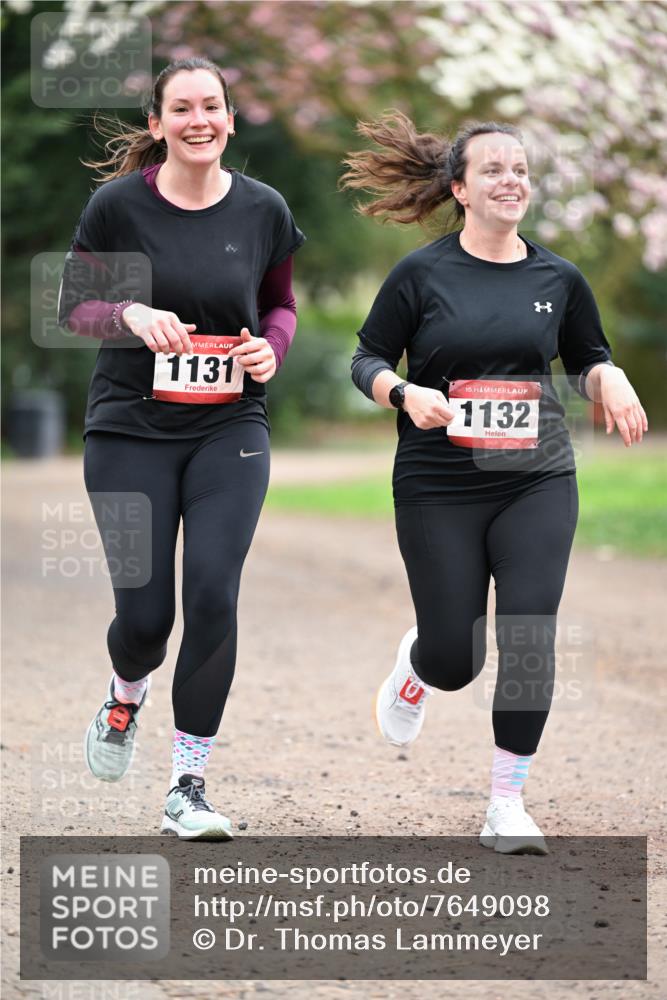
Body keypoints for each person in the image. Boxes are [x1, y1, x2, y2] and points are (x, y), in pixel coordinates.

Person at [342, 112, 647, 853]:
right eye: (493, 170)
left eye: (520, 169)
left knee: (529, 635)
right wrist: (403, 393)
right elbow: (366, 358)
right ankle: (419, 666)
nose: (511, 180)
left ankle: (506, 803)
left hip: (534, 477)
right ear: (460, 188)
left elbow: (587, 356)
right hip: (438, 481)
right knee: (456, 659)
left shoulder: (558, 278)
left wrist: (608, 377)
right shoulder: (421, 274)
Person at [58, 57, 305, 839]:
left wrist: (270, 347)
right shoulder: (118, 206)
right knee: (145, 620)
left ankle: (187, 786)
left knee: (211, 595)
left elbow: (279, 305)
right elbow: (72, 307)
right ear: (158, 123)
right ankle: (124, 694)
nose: (199, 120)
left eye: (211, 107)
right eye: (182, 108)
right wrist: (128, 315)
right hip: (128, 428)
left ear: (229, 119)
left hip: (229, 426)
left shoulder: (262, 209)